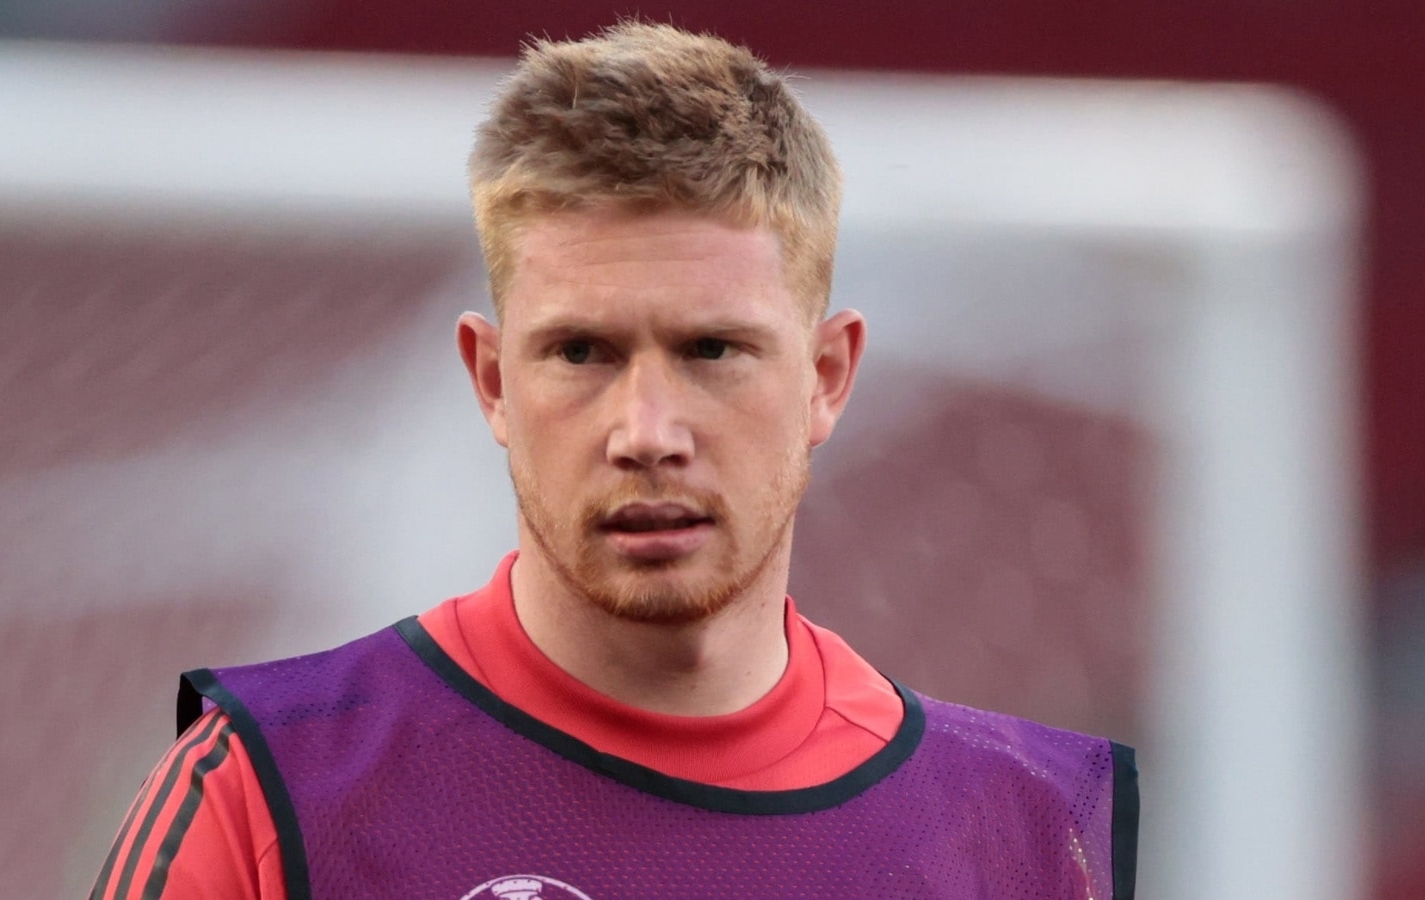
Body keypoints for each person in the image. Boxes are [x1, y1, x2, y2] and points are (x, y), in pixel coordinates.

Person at [92, 22, 1138, 900]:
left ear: (826, 375)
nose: (646, 431)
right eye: (581, 353)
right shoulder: (271, 787)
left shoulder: (1027, 831)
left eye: (711, 351)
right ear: (492, 379)